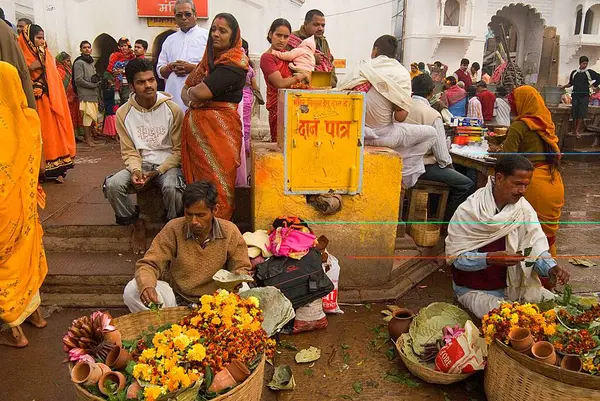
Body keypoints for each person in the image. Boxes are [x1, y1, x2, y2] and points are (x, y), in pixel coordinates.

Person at [446, 155, 570, 319]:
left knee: (562, 312)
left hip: (517, 288)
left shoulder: (524, 210)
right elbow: (457, 259)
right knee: (513, 321)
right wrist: (489, 258)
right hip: (475, 291)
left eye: (526, 185)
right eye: (517, 184)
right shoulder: (469, 211)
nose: (522, 191)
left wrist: (551, 267)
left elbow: (532, 250)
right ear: (499, 178)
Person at [123, 180, 252, 312]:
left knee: (244, 289)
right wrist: (147, 286)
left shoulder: (230, 231)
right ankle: (167, 324)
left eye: (201, 215)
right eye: (189, 214)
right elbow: (149, 264)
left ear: (215, 210)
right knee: (132, 290)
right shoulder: (173, 228)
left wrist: (235, 279)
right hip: (177, 297)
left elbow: (242, 267)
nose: (194, 221)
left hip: (217, 299)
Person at [104, 58, 184, 254]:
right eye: (141, 82)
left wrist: (158, 172)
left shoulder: (173, 110)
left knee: (173, 187)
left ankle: (172, 229)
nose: (148, 85)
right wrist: (136, 170)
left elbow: (179, 151)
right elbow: (129, 150)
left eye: (151, 80)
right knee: (113, 185)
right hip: (141, 164)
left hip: (167, 165)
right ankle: (136, 223)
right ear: (131, 85)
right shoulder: (123, 113)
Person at [338, 35, 436, 189]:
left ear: (375, 51)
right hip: (383, 137)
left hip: (350, 134)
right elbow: (400, 117)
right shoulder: (401, 74)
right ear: (395, 55)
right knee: (431, 133)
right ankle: (404, 177)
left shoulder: (359, 70)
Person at [180, 13, 249, 221]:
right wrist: (194, 96)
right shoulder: (208, 61)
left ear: (233, 35)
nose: (216, 34)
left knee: (220, 182)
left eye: (223, 31)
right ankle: (199, 225)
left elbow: (199, 92)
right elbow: (187, 89)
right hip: (199, 134)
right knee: (200, 184)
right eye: (213, 29)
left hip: (221, 131)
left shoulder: (235, 62)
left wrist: (195, 95)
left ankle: (220, 228)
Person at [0, 61, 48, 348]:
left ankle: (15, 331)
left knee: (4, 262)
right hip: (22, 201)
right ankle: (36, 315)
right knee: (24, 254)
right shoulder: (27, 123)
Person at [497, 86, 565, 259]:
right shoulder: (546, 123)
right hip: (553, 181)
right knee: (547, 235)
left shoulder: (519, 126)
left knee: (527, 232)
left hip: (532, 184)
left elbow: (507, 160)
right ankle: (550, 273)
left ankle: (526, 275)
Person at [408, 74, 474, 221]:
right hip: (422, 166)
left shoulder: (401, 109)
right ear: (432, 92)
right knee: (467, 183)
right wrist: (451, 168)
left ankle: (433, 212)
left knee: (452, 176)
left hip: (403, 163)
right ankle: (447, 221)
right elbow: (442, 156)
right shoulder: (432, 115)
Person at [18, 24, 75, 183]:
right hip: (29, 101)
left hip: (46, 101)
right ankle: (38, 170)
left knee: (50, 133)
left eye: (43, 38)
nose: (42, 41)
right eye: (38, 38)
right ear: (28, 38)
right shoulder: (19, 54)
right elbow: (18, 75)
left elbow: (54, 80)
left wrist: (42, 86)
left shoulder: (46, 55)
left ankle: (54, 169)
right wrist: (30, 70)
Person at [261, 18, 309, 142]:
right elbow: (279, 83)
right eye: (278, 35)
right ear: (271, 34)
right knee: (281, 145)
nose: (282, 40)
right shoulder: (267, 57)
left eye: (286, 36)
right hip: (278, 106)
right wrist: (300, 76)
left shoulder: (289, 54)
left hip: (295, 105)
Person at [157, 0, 209, 112]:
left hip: (199, 97)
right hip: (173, 97)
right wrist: (170, 67)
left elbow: (215, 68)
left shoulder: (208, 37)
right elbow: (160, 70)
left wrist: (193, 68)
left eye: (188, 14)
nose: (183, 18)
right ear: (175, 18)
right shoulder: (169, 40)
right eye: (179, 15)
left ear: (195, 15)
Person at [288, 9, 337, 86]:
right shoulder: (291, 39)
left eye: (323, 25)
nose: (320, 28)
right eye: (316, 25)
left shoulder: (323, 42)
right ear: (306, 24)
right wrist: (311, 58)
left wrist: (332, 84)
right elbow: (286, 61)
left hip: (321, 88)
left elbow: (329, 64)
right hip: (299, 87)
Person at [0, 16, 36, 108]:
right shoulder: (11, 37)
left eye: (22, 27)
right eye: (18, 26)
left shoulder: (43, 54)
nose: (19, 29)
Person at [561, 56, 600, 138]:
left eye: (586, 63)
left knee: (581, 114)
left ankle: (577, 130)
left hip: (584, 96)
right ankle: (574, 129)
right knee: (575, 113)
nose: (585, 65)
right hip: (575, 95)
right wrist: (563, 87)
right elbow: (571, 83)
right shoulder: (574, 72)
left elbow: (599, 78)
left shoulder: (589, 72)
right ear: (580, 63)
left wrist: (593, 85)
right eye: (583, 63)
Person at [73, 40, 101, 146]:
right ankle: (87, 139)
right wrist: (92, 85)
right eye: (84, 47)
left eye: (88, 47)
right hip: (85, 94)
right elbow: (78, 80)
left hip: (93, 94)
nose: (87, 49)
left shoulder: (91, 63)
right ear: (80, 49)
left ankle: (90, 137)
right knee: (87, 117)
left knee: (92, 117)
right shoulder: (79, 63)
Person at [56, 52, 83, 143]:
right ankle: (68, 136)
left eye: (69, 60)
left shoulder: (69, 70)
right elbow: (60, 86)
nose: (69, 63)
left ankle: (74, 135)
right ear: (61, 61)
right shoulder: (58, 71)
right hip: (65, 99)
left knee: (75, 116)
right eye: (67, 61)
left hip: (73, 98)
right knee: (68, 117)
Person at [107, 37, 135, 105]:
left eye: (125, 46)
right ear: (119, 47)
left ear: (128, 46)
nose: (123, 48)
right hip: (118, 83)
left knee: (127, 102)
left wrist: (123, 71)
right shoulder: (115, 56)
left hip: (128, 84)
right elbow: (110, 68)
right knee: (118, 102)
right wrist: (113, 73)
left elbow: (134, 68)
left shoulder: (132, 56)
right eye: (121, 46)